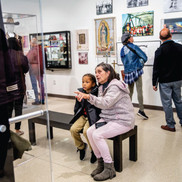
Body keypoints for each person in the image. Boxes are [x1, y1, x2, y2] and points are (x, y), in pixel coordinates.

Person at [75, 63, 135, 181]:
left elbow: (106, 103)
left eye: (99, 71)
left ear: (108, 72)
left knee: (98, 134)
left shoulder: (115, 86)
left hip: (122, 120)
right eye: (95, 72)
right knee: (90, 131)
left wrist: (88, 97)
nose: (96, 74)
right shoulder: (102, 86)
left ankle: (109, 168)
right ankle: (101, 163)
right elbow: (102, 103)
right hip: (109, 118)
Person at [152, 28, 182, 132]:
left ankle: (171, 125)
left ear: (160, 38)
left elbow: (156, 68)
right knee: (179, 101)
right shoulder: (180, 47)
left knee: (167, 103)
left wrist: (154, 83)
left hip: (165, 81)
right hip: (178, 80)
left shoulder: (159, 50)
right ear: (171, 36)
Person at [70, 73, 100, 163]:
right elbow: (77, 107)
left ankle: (93, 150)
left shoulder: (96, 93)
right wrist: (76, 115)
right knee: (73, 129)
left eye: (87, 82)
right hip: (83, 116)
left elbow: (97, 107)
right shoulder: (81, 92)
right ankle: (81, 147)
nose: (84, 84)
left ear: (93, 84)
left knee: (86, 131)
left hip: (92, 117)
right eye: (83, 82)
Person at [120, 32, 149, 120]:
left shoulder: (122, 49)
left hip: (128, 73)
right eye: (131, 37)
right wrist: (140, 63)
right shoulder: (134, 46)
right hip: (136, 71)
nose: (132, 38)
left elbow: (123, 61)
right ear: (128, 39)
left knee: (129, 92)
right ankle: (141, 110)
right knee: (139, 90)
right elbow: (144, 57)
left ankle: (126, 110)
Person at [7, 37, 29, 135]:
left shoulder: (4, 56)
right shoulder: (20, 56)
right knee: (18, 107)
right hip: (18, 85)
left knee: (8, 108)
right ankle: (17, 129)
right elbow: (26, 69)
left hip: (7, 86)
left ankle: (6, 129)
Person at [27, 37, 45, 105]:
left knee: (34, 85)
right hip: (40, 69)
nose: (30, 43)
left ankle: (36, 100)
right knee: (41, 85)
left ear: (33, 43)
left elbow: (28, 58)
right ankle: (42, 99)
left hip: (33, 69)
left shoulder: (33, 50)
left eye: (31, 42)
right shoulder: (40, 49)